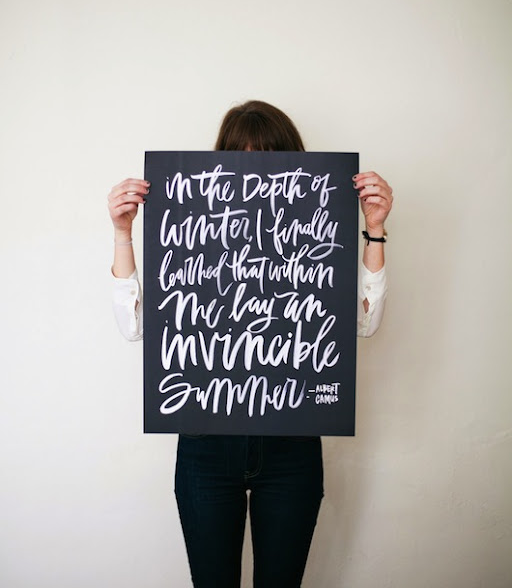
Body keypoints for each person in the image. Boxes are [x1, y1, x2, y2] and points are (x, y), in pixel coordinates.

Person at [108, 100, 393, 588]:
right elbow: (135, 327)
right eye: (241, 158)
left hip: (292, 442)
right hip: (205, 443)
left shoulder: (313, 235)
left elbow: (363, 324)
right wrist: (122, 234)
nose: (257, 174)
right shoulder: (196, 232)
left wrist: (376, 231)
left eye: (271, 158)